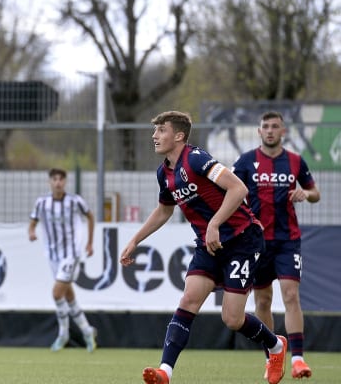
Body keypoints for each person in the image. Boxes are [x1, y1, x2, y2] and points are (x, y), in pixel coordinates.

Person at [119, 110, 288, 384]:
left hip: (243, 240)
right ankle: (165, 372)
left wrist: (214, 224)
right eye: (155, 130)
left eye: (161, 130)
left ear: (179, 136)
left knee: (232, 319)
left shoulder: (196, 158)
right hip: (209, 246)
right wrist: (135, 240)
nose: (154, 136)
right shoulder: (164, 173)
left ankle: (276, 346)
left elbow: (238, 189)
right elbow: (164, 211)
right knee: (188, 300)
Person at [232, 111, 321, 380]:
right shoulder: (245, 161)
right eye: (266, 126)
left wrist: (306, 193)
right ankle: (272, 357)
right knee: (263, 300)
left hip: (287, 240)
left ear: (284, 131)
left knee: (291, 295)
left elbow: (315, 193)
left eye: (275, 126)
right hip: (256, 242)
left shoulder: (295, 161)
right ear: (259, 131)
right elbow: (229, 191)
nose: (270, 130)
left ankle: (298, 360)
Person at [28, 167, 97, 353]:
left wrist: (89, 242)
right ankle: (87, 330)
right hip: (53, 255)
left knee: (57, 293)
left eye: (61, 179)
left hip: (71, 254)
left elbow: (90, 216)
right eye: (54, 179)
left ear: (65, 182)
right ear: (49, 182)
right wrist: (31, 232)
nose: (58, 182)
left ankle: (63, 333)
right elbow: (33, 222)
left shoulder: (75, 201)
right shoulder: (42, 203)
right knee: (68, 295)